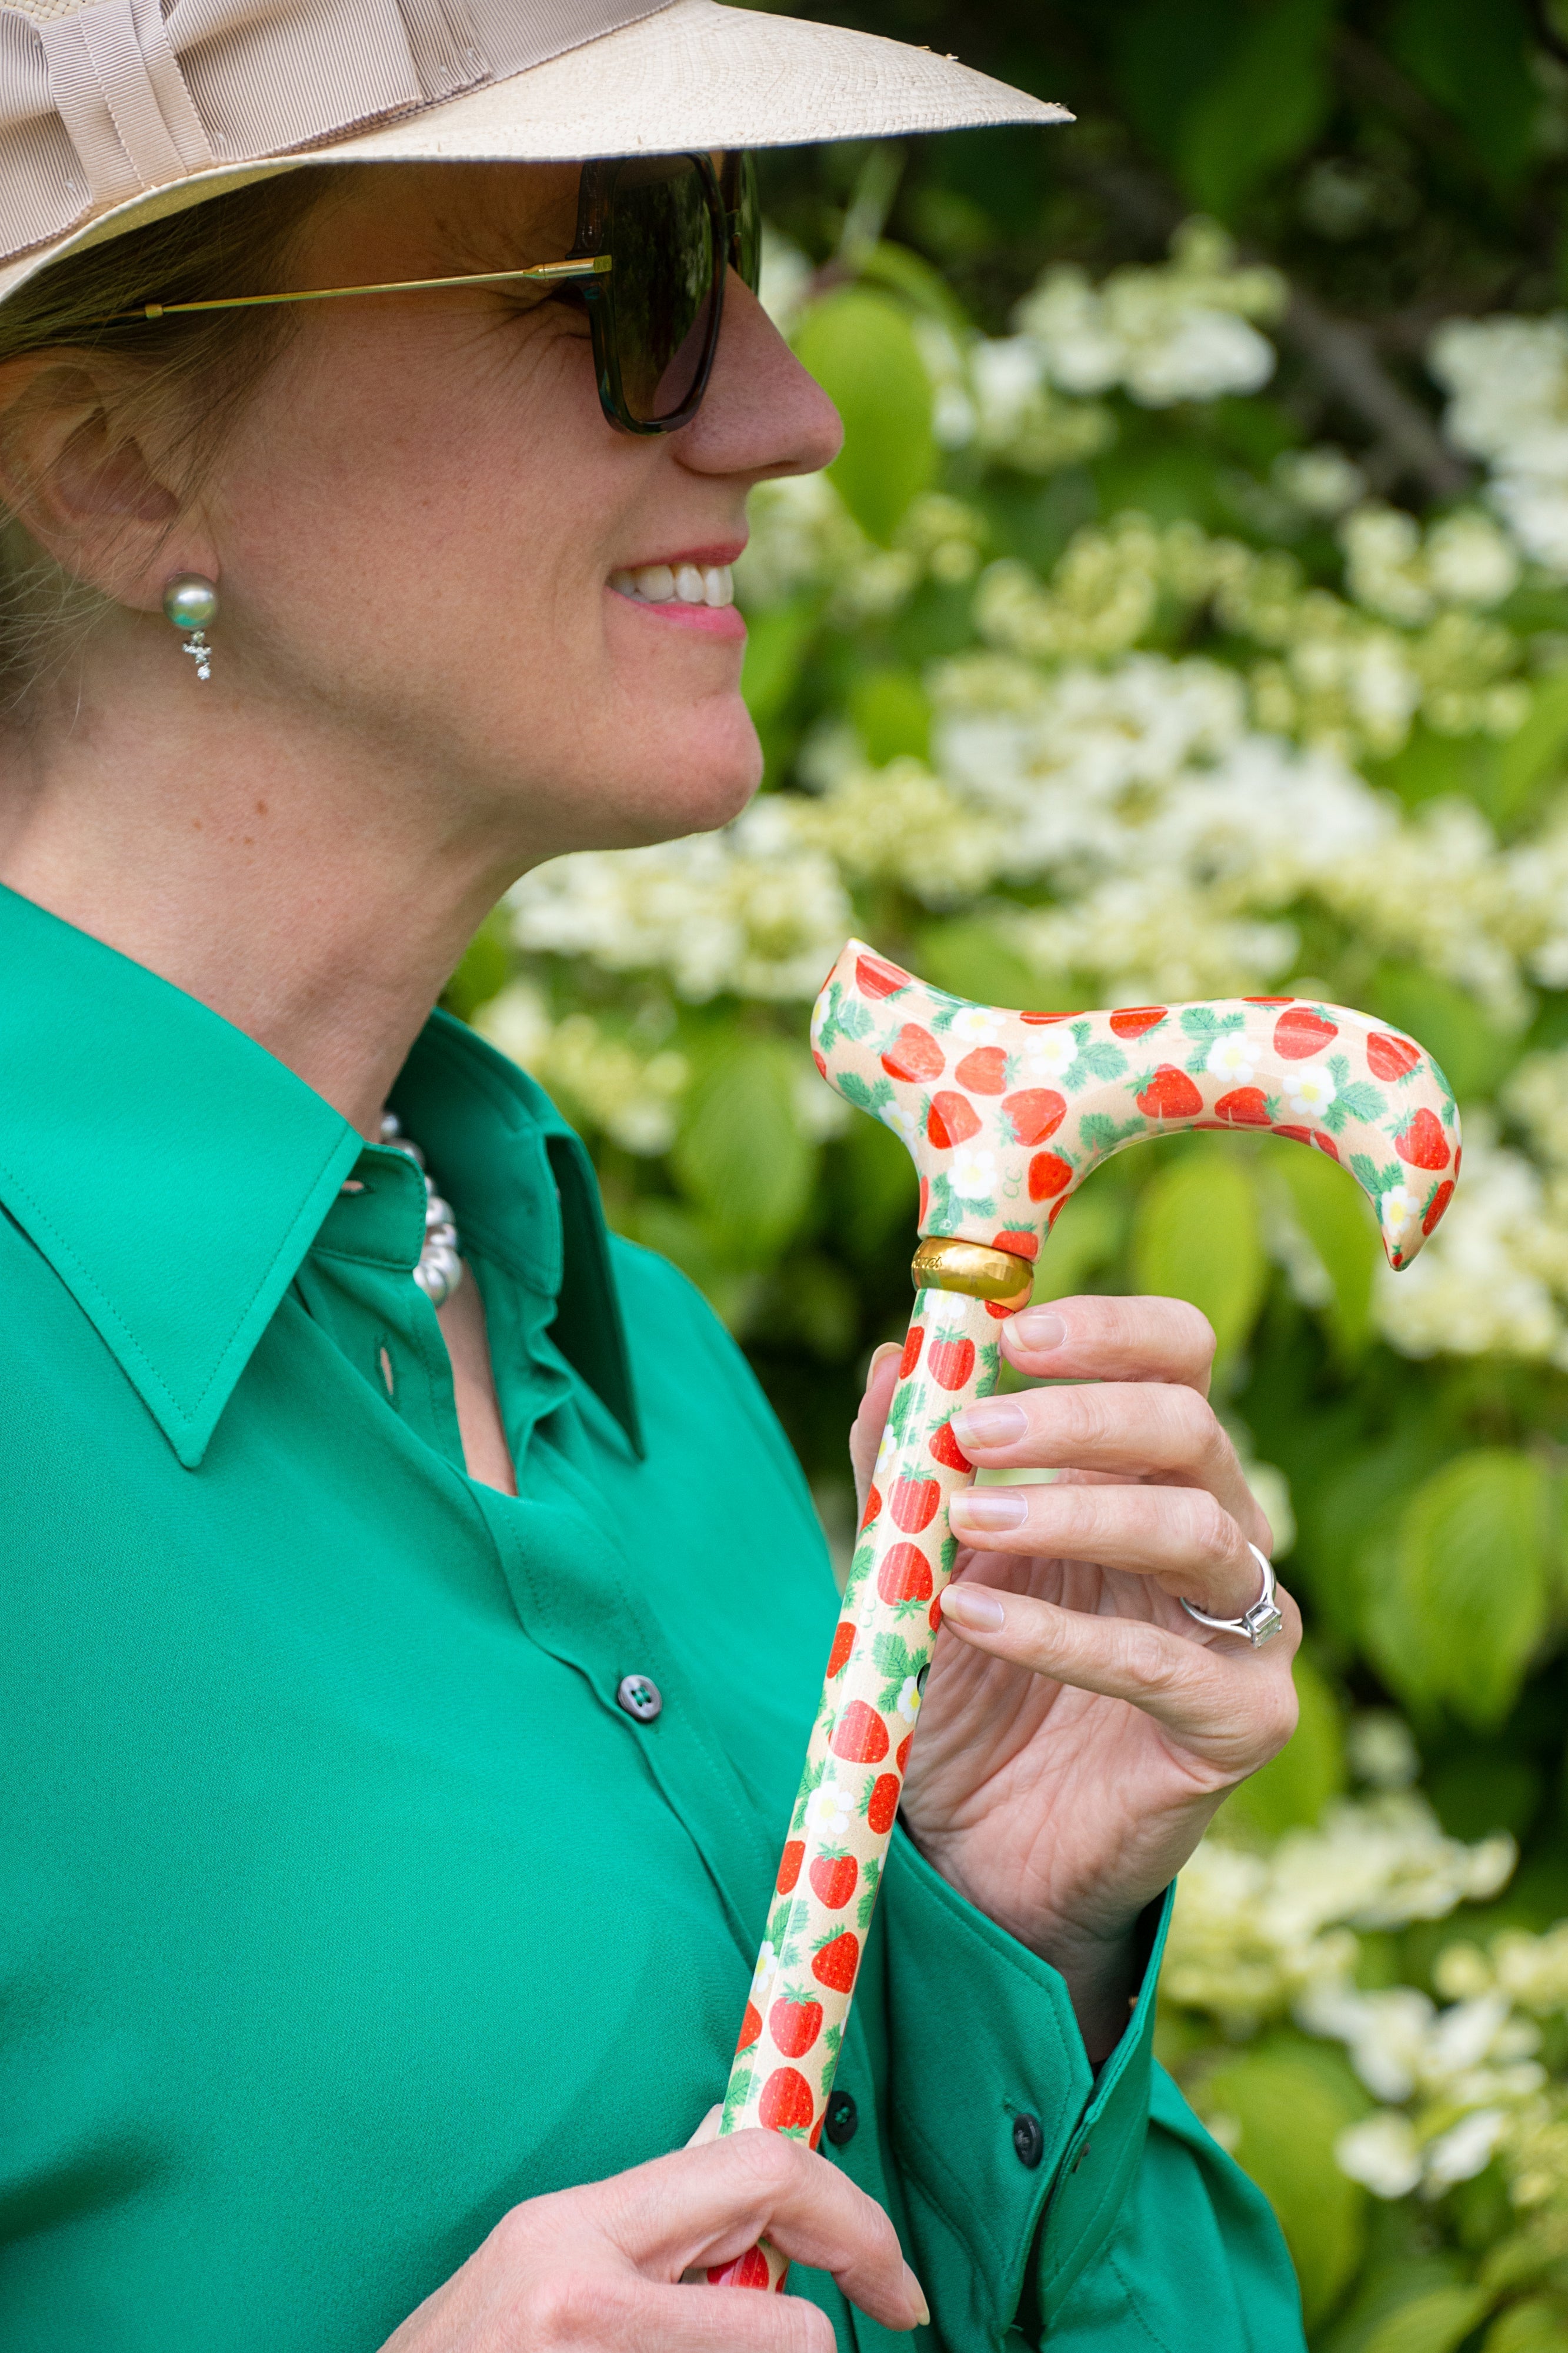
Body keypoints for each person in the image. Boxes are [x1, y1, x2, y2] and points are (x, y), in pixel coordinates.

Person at [0, 1, 1308, 2345]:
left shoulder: (634, 1361)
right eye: (617, 284)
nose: (784, 409)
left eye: (732, 244)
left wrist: (1006, 1932)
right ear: (113, 469)